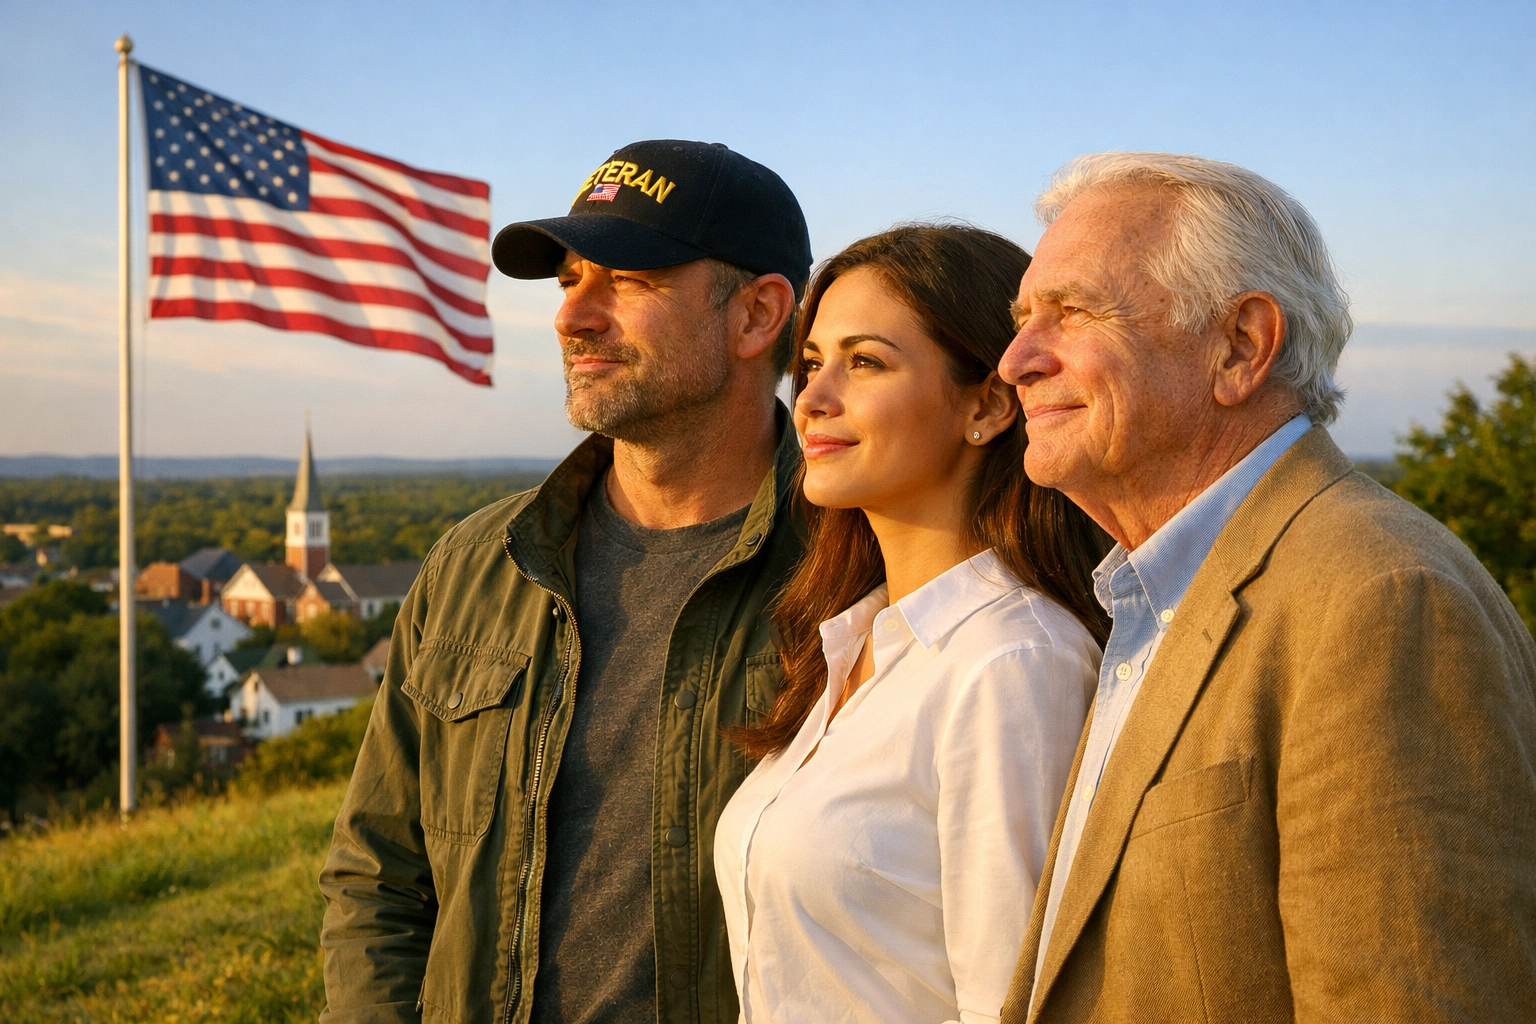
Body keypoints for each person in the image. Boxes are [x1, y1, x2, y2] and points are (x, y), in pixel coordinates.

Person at [995, 152, 1536, 1023]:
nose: (1016, 358)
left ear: (1241, 346)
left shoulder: (1381, 599)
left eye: (1073, 312)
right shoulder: (1157, 596)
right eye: (1023, 318)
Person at [318, 140, 812, 1024]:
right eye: (569, 279)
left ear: (755, 315)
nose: (571, 316)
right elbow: (378, 876)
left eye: (627, 279)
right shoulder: (478, 564)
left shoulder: (861, 576)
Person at [714, 225, 1109, 1024]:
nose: (815, 400)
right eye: (812, 363)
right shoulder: (850, 641)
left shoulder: (1011, 662)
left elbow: (1013, 1001)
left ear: (990, 403)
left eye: (866, 362)